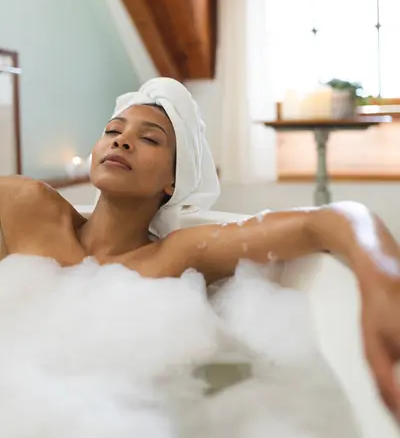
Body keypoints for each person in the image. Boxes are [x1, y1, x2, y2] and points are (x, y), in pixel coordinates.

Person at [0, 77, 400, 422]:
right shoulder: (26, 206)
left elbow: (325, 221)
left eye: (150, 138)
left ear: (174, 181)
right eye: (113, 130)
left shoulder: (174, 258)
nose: (121, 140)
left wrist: (383, 280)